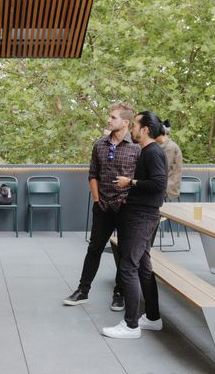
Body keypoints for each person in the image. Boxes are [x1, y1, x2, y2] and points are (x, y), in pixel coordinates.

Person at [64, 102, 139, 311]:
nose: (108, 120)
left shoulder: (137, 147)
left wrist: (128, 200)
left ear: (126, 122)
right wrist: (97, 200)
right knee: (94, 248)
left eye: (113, 117)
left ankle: (119, 293)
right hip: (102, 207)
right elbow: (93, 174)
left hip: (125, 208)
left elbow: (140, 179)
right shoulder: (99, 145)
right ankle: (82, 291)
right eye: (109, 116)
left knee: (124, 252)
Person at [102, 110, 169, 339]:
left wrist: (130, 182)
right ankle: (152, 318)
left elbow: (159, 185)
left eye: (135, 125)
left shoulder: (153, 153)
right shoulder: (147, 151)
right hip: (141, 214)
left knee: (128, 267)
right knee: (143, 267)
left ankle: (131, 325)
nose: (132, 129)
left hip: (142, 217)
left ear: (145, 129)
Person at [158, 120, 183, 200]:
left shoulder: (169, 147)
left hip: (168, 187)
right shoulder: (166, 146)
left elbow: (163, 168)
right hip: (165, 184)